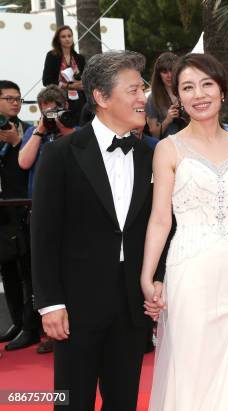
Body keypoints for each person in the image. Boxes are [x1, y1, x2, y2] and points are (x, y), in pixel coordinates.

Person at [141, 53, 228, 410]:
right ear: (178, 98)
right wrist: (148, 277)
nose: (198, 94)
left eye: (207, 84)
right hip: (189, 270)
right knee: (192, 364)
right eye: (188, 87)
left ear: (222, 92)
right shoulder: (167, 149)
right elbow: (160, 220)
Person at [31, 50, 157, 411]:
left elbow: (161, 226)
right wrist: (50, 303)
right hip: (76, 307)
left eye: (142, 89)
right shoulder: (61, 154)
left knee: (124, 400)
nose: (141, 98)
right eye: (132, 90)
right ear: (101, 97)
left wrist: (157, 281)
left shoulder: (151, 155)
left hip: (132, 305)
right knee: (72, 401)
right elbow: (43, 238)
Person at [0, 80, 40, 351]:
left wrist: (16, 144)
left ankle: (30, 327)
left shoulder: (28, 130)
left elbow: (28, 167)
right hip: (3, 212)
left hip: (23, 210)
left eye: (18, 98)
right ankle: (16, 321)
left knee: (27, 272)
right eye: (9, 98)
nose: (16, 102)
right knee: (8, 270)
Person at [19, 85, 77, 198]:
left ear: (66, 106)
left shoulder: (78, 131)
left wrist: (65, 129)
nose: (53, 116)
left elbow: (85, 157)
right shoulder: (33, 132)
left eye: (56, 111)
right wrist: (40, 130)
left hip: (72, 200)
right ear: (41, 112)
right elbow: (24, 163)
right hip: (41, 201)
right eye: (48, 113)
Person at [42, 25, 86, 122]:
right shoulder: (52, 56)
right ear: (58, 40)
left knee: (79, 127)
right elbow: (46, 81)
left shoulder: (79, 58)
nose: (67, 39)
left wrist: (82, 84)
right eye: (63, 37)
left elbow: (85, 79)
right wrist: (70, 86)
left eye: (69, 36)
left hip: (79, 101)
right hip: (58, 99)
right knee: (59, 125)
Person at [146, 52, 188, 139]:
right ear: (159, 75)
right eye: (165, 72)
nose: (169, 75)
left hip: (192, 143)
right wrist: (168, 120)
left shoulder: (188, 91)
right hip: (169, 146)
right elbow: (154, 135)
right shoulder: (152, 98)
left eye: (172, 70)